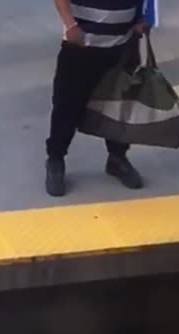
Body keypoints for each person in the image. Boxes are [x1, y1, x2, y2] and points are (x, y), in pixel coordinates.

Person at [45, 0, 150, 197]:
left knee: (119, 105)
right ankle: (55, 159)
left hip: (123, 44)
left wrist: (143, 18)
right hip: (81, 45)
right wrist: (71, 25)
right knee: (67, 105)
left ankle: (117, 158)